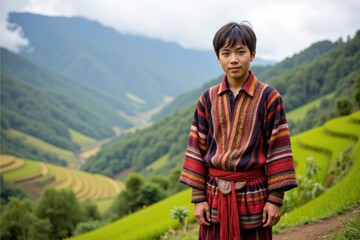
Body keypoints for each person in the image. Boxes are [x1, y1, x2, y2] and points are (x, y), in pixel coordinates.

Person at [179, 21, 297, 240]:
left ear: (252, 54)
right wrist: (198, 198)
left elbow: (278, 149)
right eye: (226, 53)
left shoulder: (269, 98)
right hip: (214, 197)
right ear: (218, 58)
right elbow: (196, 147)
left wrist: (275, 200)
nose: (233, 60)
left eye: (240, 52)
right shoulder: (207, 99)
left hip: (255, 198)